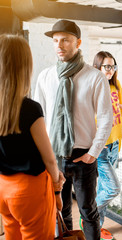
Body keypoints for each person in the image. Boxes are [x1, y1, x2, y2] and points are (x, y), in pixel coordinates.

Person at [34, 20, 113, 240]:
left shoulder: (94, 77)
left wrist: (92, 154)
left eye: (66, 40)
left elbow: (107, 118)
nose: (59, 45)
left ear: (78, 43)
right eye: (56, 41)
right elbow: (38, 119)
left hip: (83, 156)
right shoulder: (46, 77)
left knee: (88, 211)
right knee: (61, 210)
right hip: (54, 155)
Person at [0, 34, 65, 239]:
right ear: (24, 67)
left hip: (3, 187)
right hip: (30, 191)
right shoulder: (30, 109)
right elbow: (49, 159)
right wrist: (57, 189)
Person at [92, 51, 122, 240]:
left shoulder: (115, 85)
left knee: (103, 188)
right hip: (101, 149)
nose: (111, 70)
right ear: (97, 67)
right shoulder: (93, 88)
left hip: (114, 146)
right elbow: (87, 118)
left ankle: (96, 227)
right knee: (113, 188)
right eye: (107, 66)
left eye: (113, 66)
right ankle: (89, 217)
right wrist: (95, 142)